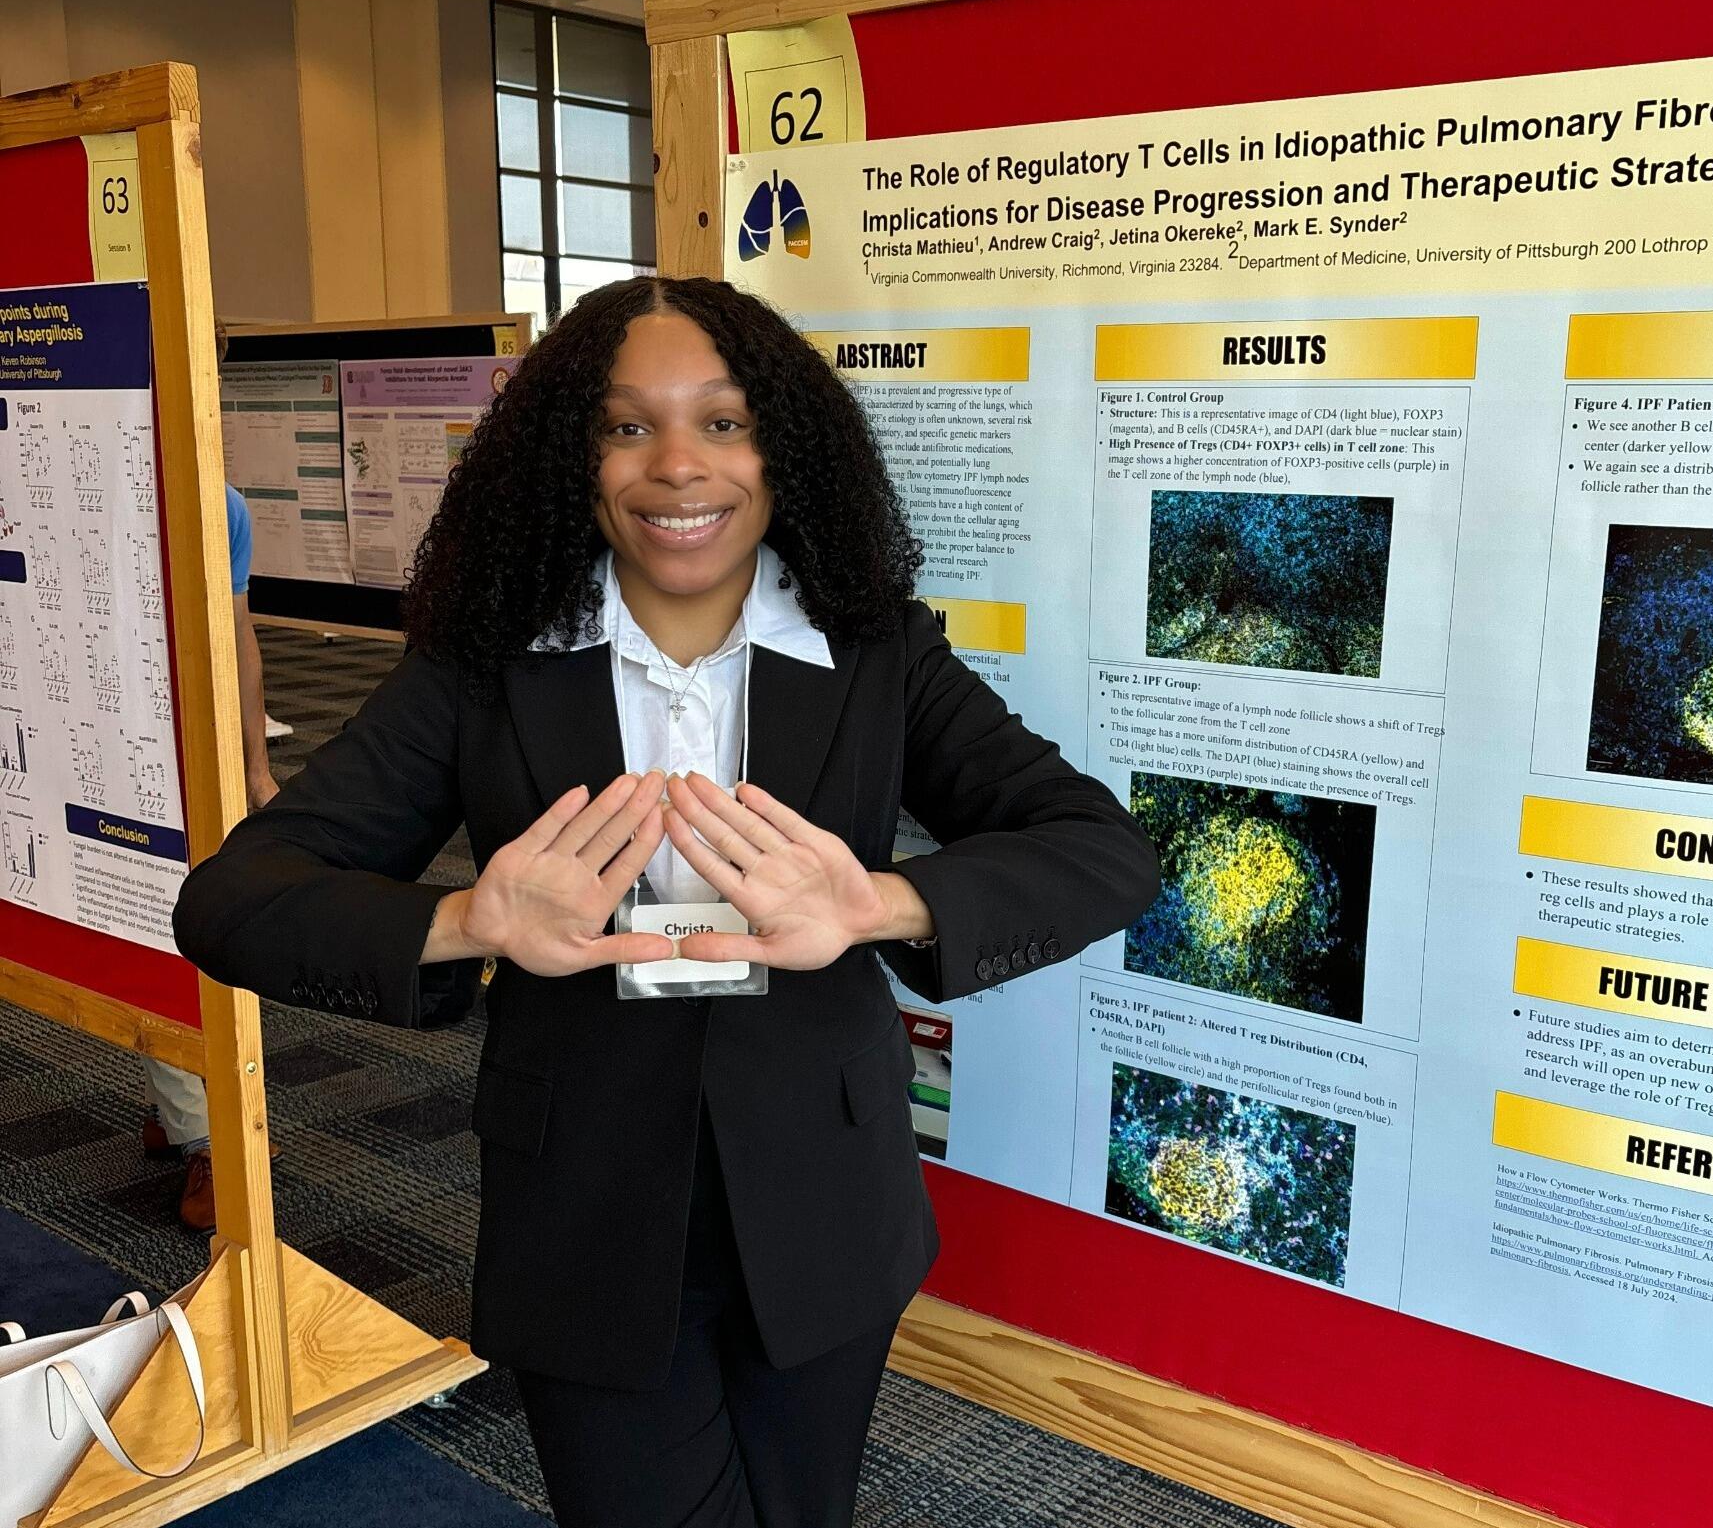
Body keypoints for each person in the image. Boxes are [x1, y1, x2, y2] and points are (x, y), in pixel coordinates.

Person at [172, 277, 1158, 1527]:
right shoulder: (483, 664)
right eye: (627, 426)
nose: (678, 468)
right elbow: (233, 901)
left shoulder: (877, 652)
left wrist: (879, 906)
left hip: (826, 1189)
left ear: (784, 448)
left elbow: (1102, 850)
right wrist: (464, 923)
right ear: (569, 457)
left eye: (725, 423)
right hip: (584, 1199)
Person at [142, 482, 279, 1231]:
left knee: (204, 911)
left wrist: (255, 766)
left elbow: (236, 635)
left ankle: (182, 1109)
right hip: (101, 721)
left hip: (189, 735)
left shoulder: (217, 502)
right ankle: (199, 1130)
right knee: (147, 909)